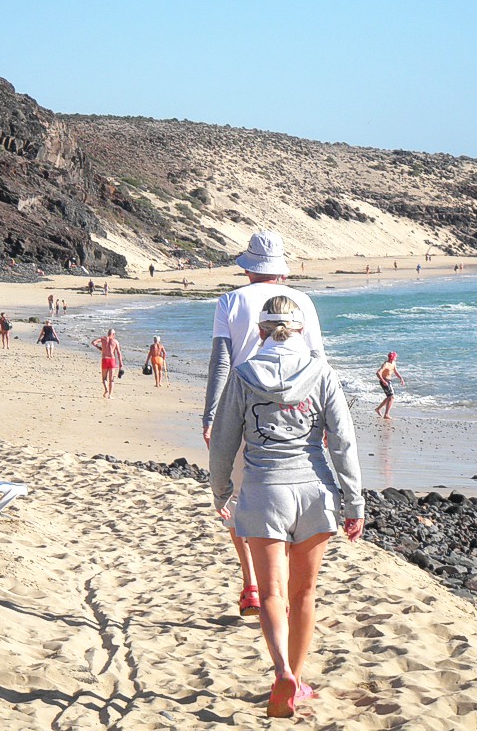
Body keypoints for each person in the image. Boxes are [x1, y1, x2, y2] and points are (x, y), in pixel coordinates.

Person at [209, 295, 364, 718]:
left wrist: (220, 490)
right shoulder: (322, 373)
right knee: (305, 591)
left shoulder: (243, 375)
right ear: (299, 331)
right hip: (314, 491)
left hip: (263, 491)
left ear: (260, 332)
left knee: (273, 592)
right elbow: (344, 442)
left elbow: (223, 441)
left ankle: (281, 671)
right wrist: (355, 502)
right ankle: (298, 677)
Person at [202, 230, 326, 618]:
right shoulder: (303, 301)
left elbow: (222, 362)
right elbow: (317, 359)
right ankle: (283, 588)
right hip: (298, 409)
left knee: (242, 502)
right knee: (292, 493)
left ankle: (253, 584)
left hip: (242, 407)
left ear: (248, 268)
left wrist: (211, 416)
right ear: (280, 271)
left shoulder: (230, 301)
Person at [91, 329, 123, 398]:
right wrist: (121, 363)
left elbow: (93, 342)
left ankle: (106, 390)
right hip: (112, 360)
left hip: (104, 359)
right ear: (113, 334)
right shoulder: (115, 341)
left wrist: (99, 347)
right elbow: (119, 353)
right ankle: (110, 395)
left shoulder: (103, 339)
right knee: (111, 379)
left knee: (104, 378)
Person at [375, 351, 405, 418]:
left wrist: (401, 378)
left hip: (389, 381)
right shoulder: (386, 364)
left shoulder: (393, 363)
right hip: (384, 381)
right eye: (395, 356)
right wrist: (383, 381)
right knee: (391, 397)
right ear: (392, 357)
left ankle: (378, 409)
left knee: (389, 397)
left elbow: (395, 371)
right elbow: (378, 373)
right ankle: (386, 414)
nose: (396, 358)